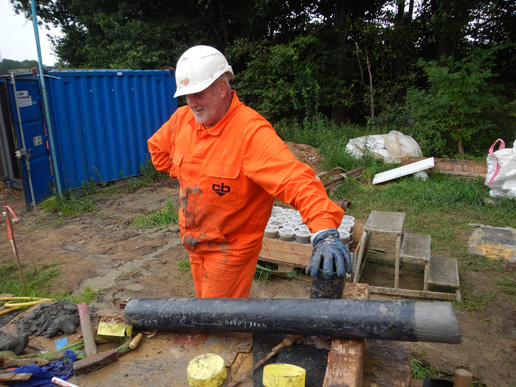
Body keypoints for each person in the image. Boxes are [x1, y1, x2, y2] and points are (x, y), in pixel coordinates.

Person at [148, 45, 352, 298]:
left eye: (197, 93)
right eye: (186, 95)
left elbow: (295, 180)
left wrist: (324, 231)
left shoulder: (250, 132)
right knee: (204, 308)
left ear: (222, 88)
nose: (192, 103)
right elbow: (157, 149)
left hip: (229, 250)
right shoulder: (182, 120)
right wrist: (186, 176)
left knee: (219, 322)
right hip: (194, 241)